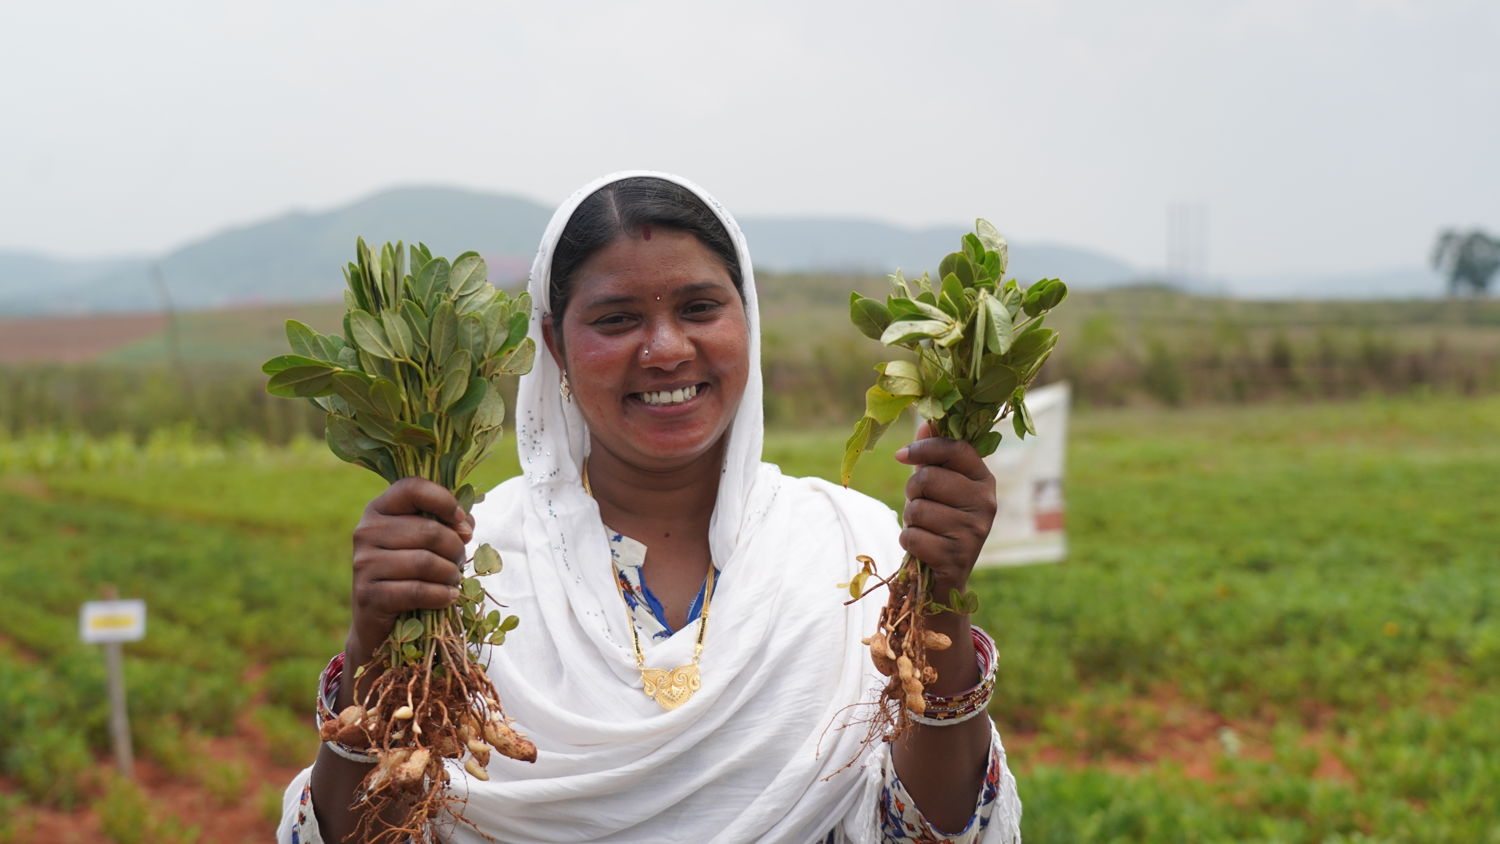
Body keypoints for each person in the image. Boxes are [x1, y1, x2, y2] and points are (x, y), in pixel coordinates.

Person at [278, 171, 1021, 843]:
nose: (666, 350)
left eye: (700, 307)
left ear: (747, 319)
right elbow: (362, 833)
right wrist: (373, 649)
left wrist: (941, 599)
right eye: (616, 319)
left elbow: (940, 831)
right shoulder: (463, 568)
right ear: (555, 347)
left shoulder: (849, 547)